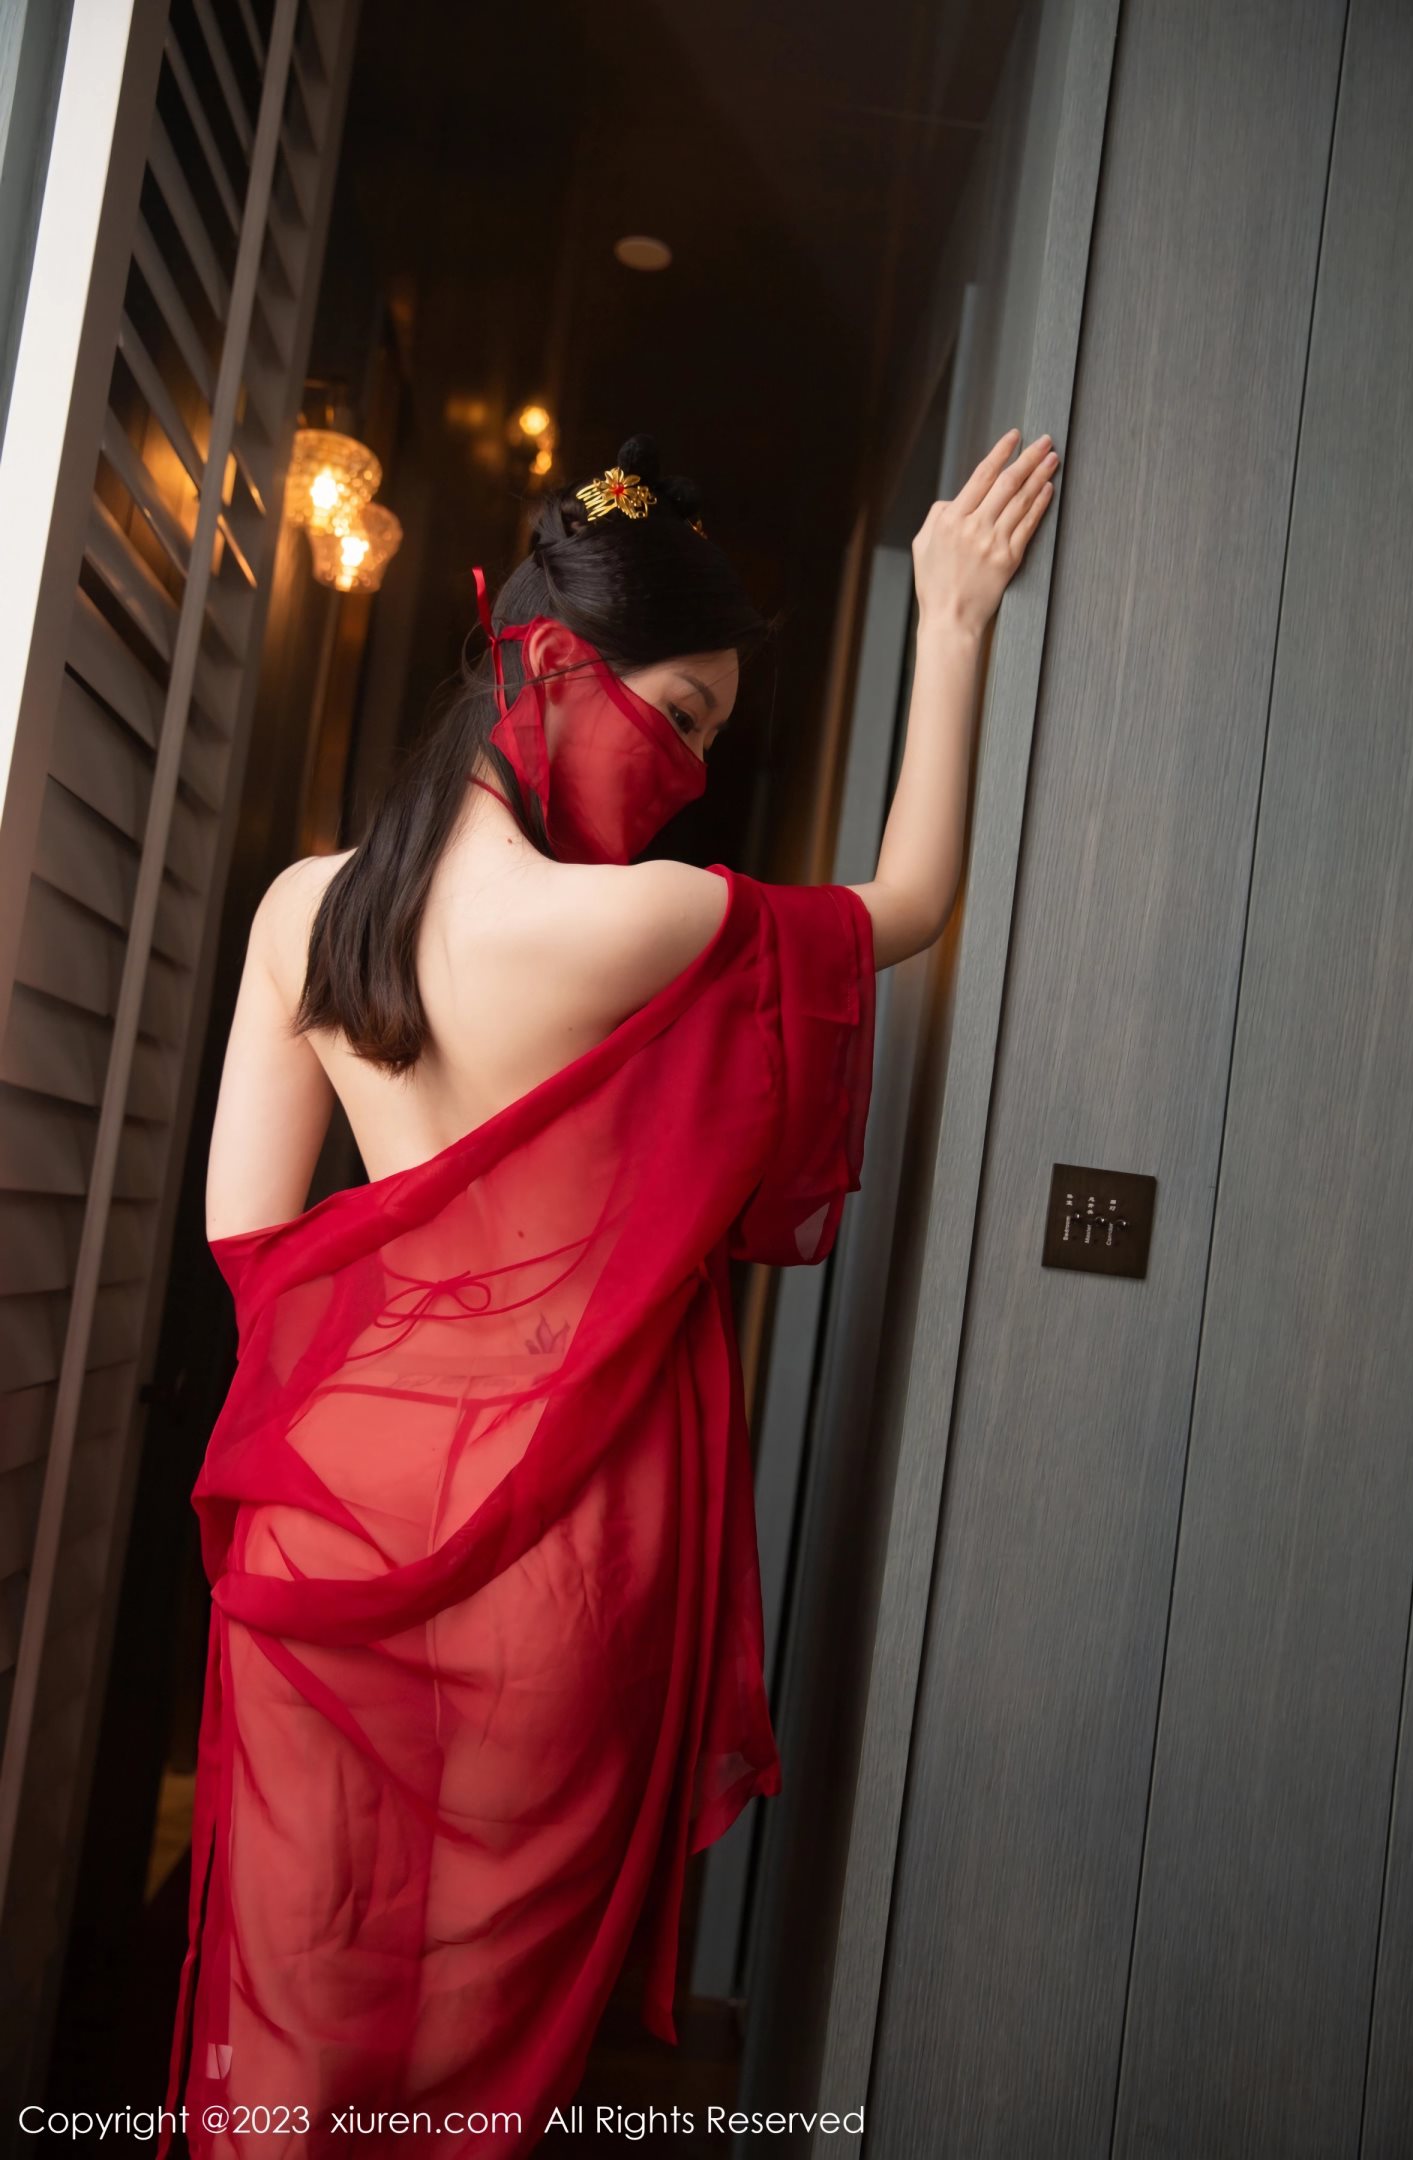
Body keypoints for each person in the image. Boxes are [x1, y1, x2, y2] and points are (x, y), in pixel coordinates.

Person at [158, 427, 1058, 2158]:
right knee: (470, 2049)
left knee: (300, 2010)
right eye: (689, 719)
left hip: (320, 1516)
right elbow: (907, 907)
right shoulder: (636, 921)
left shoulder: (298, 914)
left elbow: (252, 1242)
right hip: (557, 1539)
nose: (696, 774)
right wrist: (951, 622)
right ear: (561, 665)